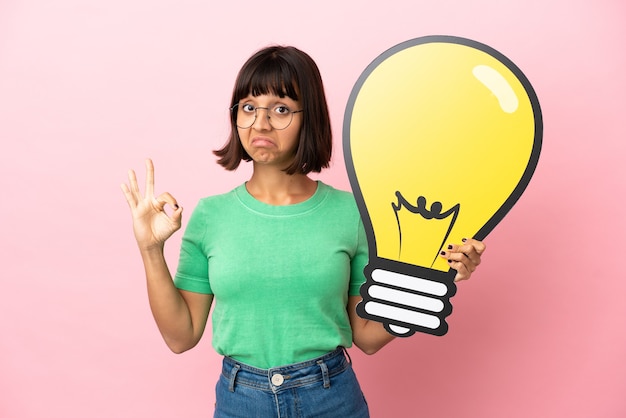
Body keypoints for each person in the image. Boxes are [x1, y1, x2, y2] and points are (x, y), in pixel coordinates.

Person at [121, 45, 486, 418]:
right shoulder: (211, 216)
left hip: (331, 398)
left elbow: (366, 336)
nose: (260, 124)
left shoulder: (351, 214)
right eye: (248, 107)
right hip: (240, 401)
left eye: (280, 109)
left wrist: (434, 277)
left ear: (308, 118)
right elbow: (181, 337)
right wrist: (150, 249)